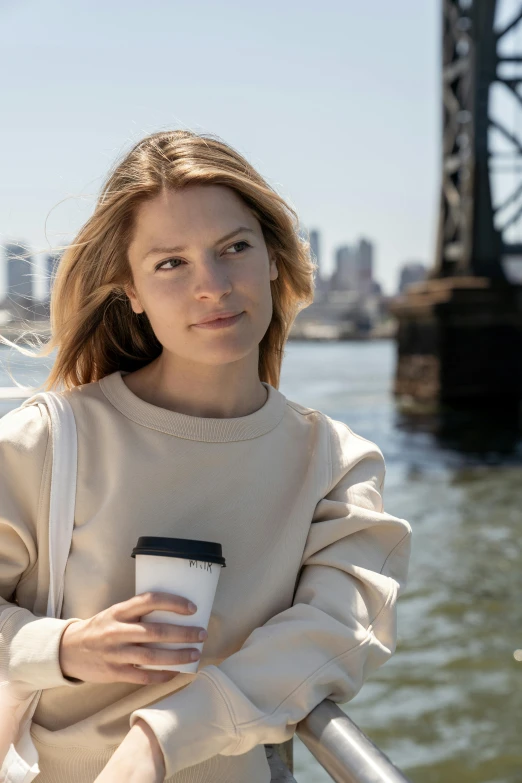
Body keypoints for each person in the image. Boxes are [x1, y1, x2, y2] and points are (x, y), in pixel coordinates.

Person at [0, 129, 412, 783]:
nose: (213, 286)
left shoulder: (337, 463)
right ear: (129, 288)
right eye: (171, 263)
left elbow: (335, 636)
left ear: (274, 257)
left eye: (234, 248)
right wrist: (64, 648)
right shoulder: (48, 440)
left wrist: (160, 737)